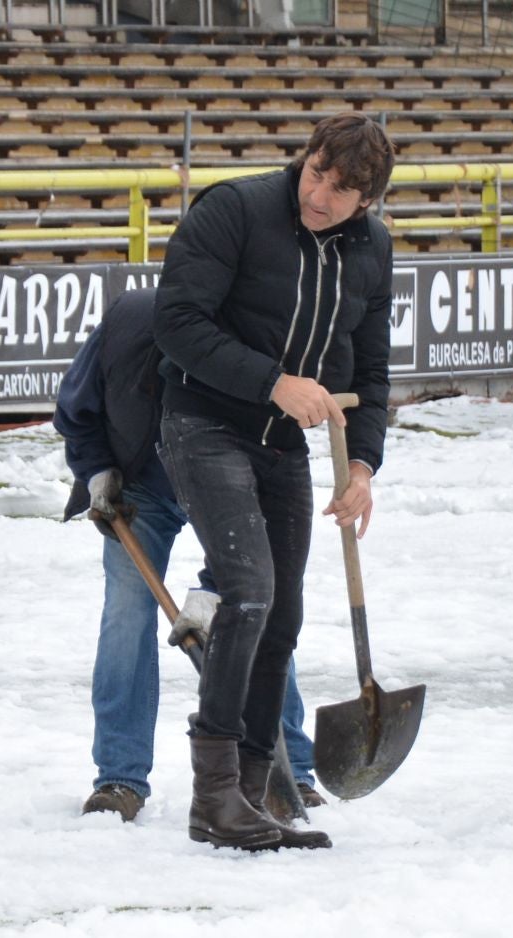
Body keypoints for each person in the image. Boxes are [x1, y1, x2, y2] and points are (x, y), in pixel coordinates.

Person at [153, 113, 396, 851]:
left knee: (282, 617)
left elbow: (371, 371)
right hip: (203, 422)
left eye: (342, 188)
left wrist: (363, 464)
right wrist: (272, 383)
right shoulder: (236, 209)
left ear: (369, 201)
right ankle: (214, 797)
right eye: (316, 171)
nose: (319, 194)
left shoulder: (371, 251)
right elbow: (177, 321)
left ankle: (258, 789)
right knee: (248, 592)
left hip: (283, 446)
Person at [52, 287, 326, 836]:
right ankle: (119, 778)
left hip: (232, 481)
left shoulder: (251, 343)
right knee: (126, 613)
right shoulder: (129, 325)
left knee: (256, 610)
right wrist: (98, 470)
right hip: (143, 487)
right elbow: (75, 411)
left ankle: (289, 767)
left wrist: (213, 593)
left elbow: (269, 487)